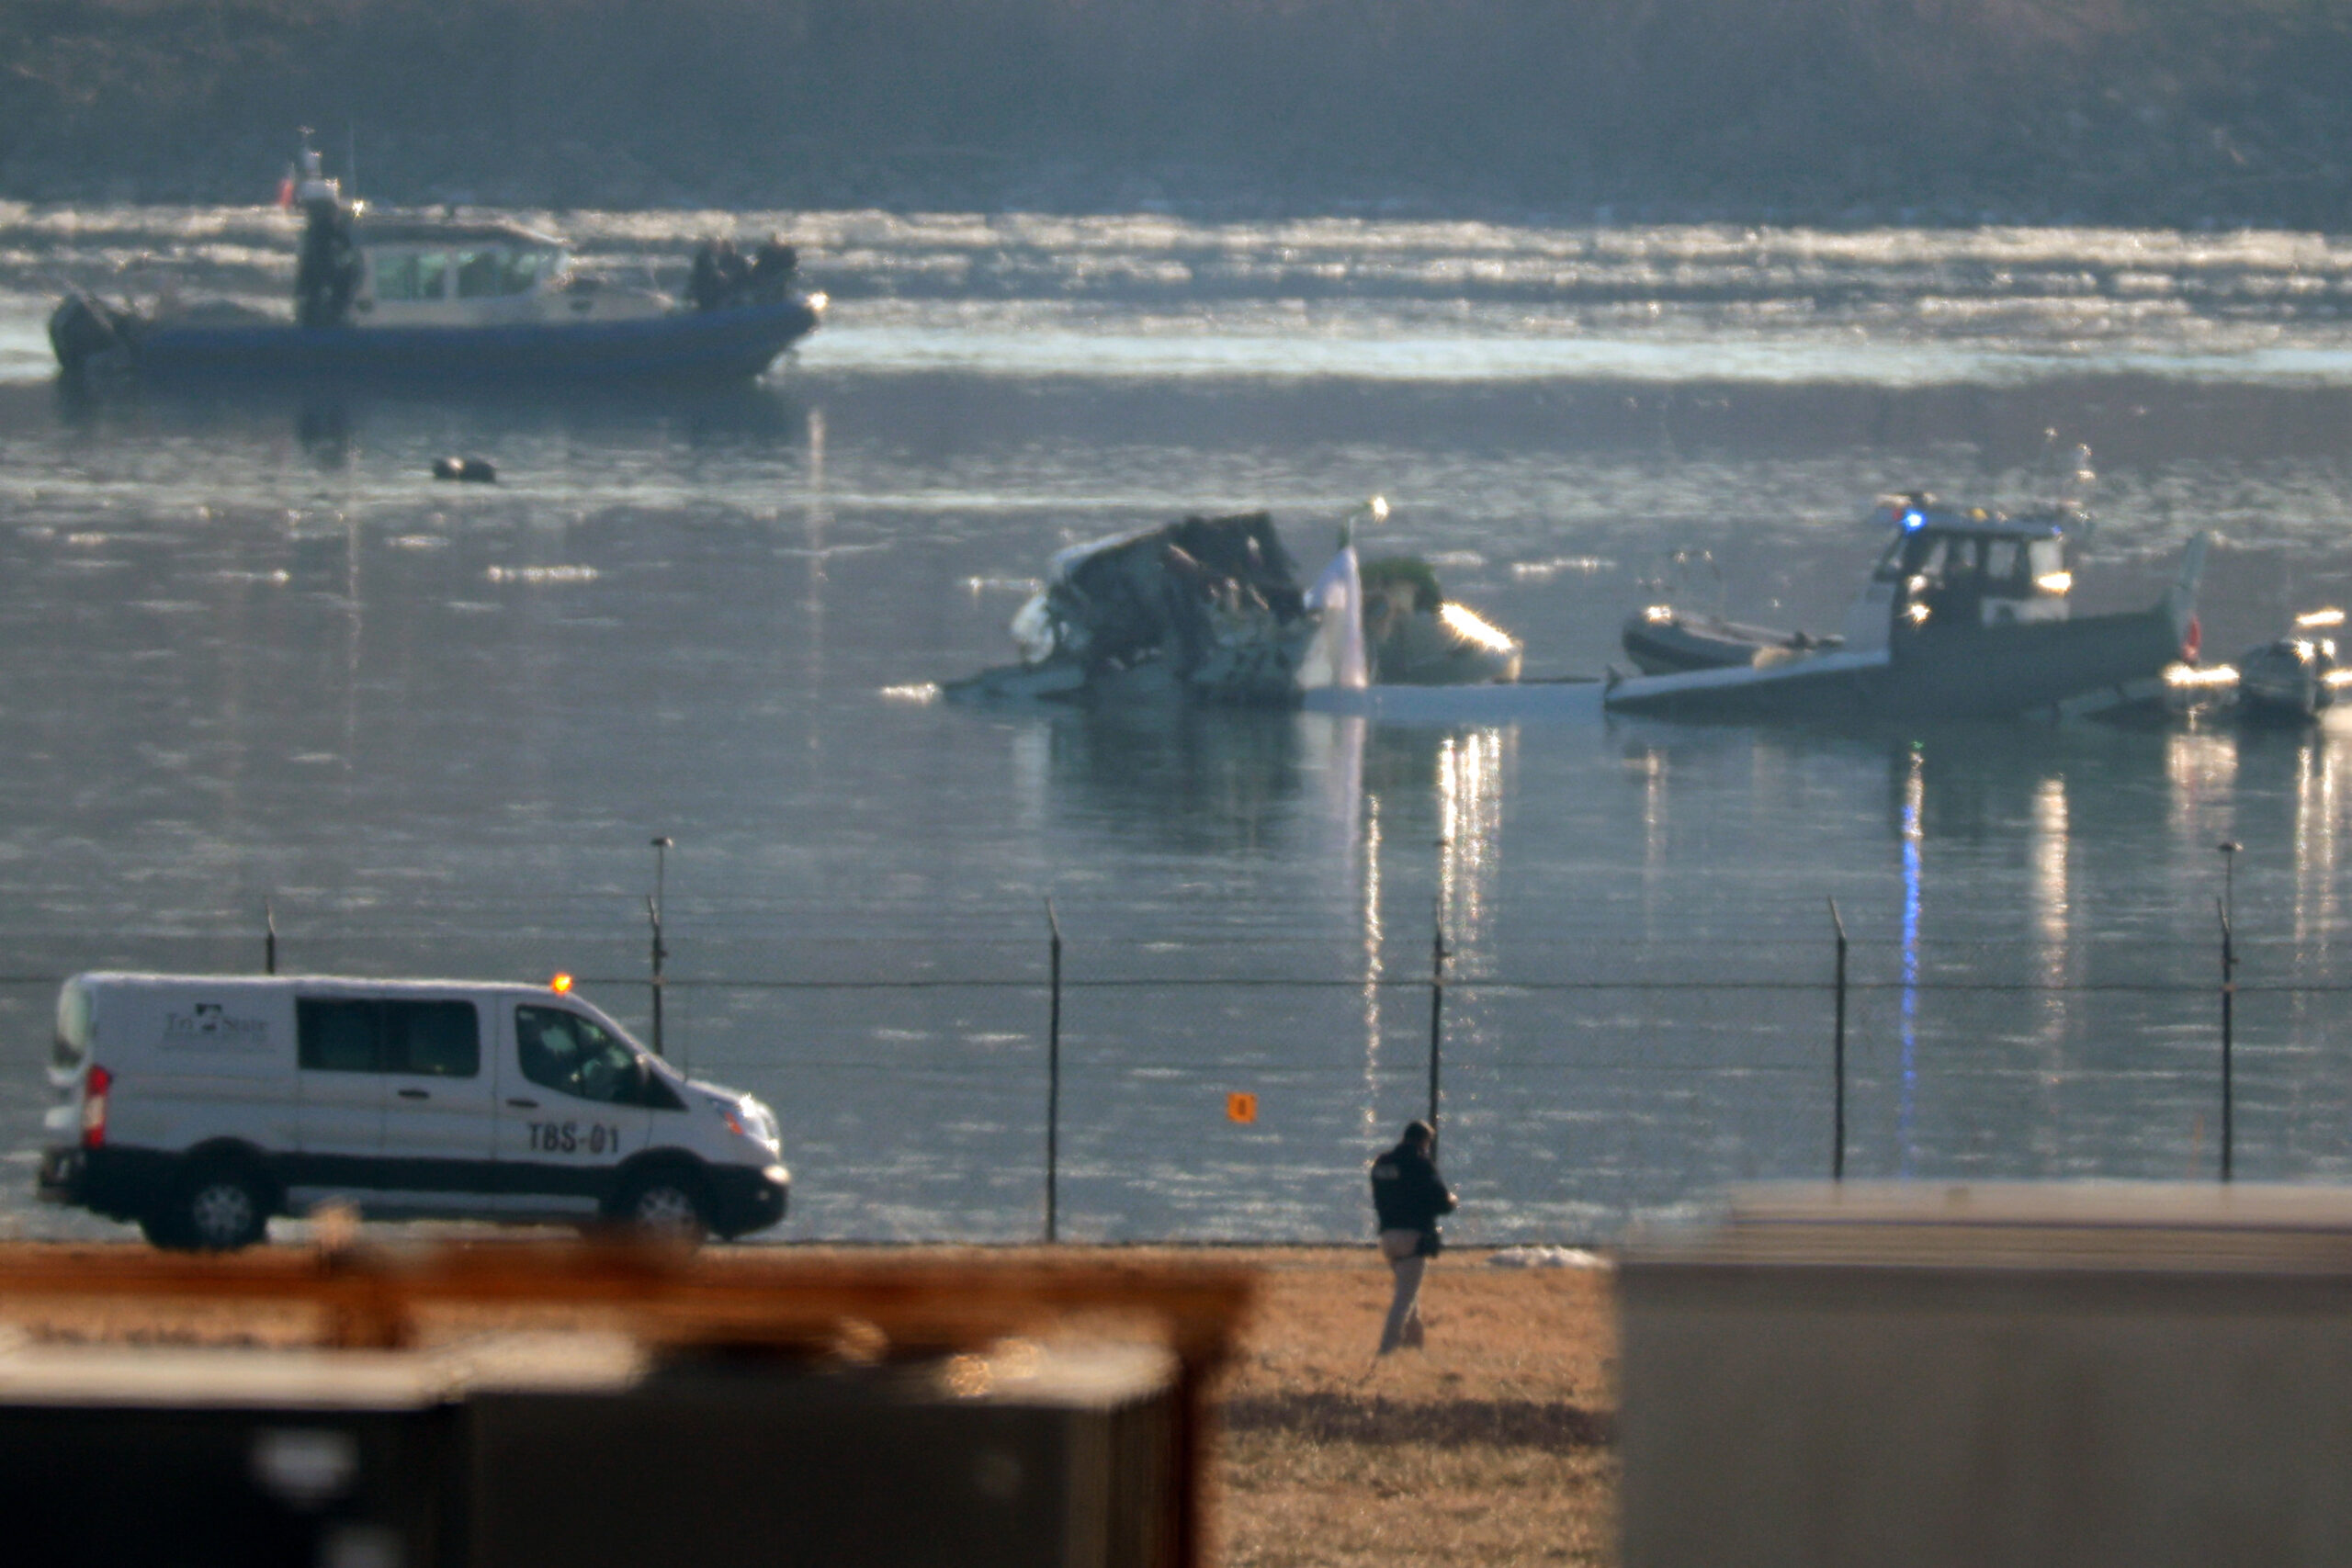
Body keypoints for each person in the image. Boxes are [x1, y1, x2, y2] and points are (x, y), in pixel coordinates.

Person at [1369, 1119, 1454, 1354]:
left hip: (1388, 1236)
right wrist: (1451, 1201)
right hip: (1412, 1237)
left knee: (1409, 1294)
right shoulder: (1421, 1163)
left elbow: (1380, 1196)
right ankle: (1386, 1351)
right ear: (1424, 1141)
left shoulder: (1382, 1163)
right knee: (1404, 1300)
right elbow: (1440, 1201)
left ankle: (1415, 1348)